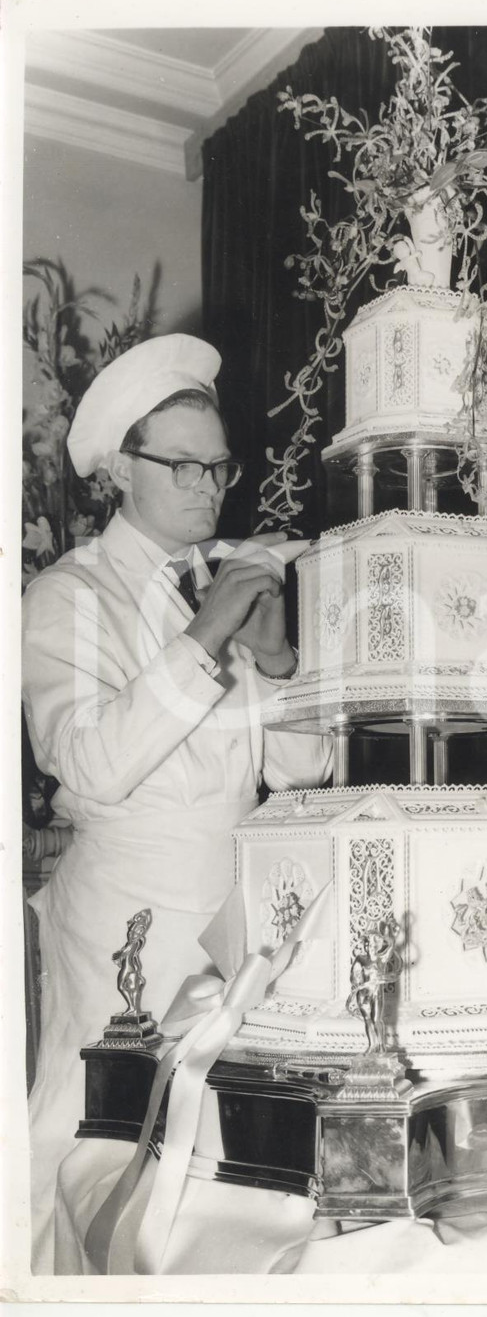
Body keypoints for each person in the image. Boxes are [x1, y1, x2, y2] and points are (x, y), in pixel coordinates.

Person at [21, 333, 334, 1272]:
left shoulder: (224, 579)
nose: (211, 488)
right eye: (184, 466)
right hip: (125, 922)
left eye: (220, 466)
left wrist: (275, 661)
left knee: (208, 1186)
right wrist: (208, 629)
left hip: (230, 920)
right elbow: (89, 763)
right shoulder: (67, 595)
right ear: (121, 470)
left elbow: (304, 771)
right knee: (92, 1152)